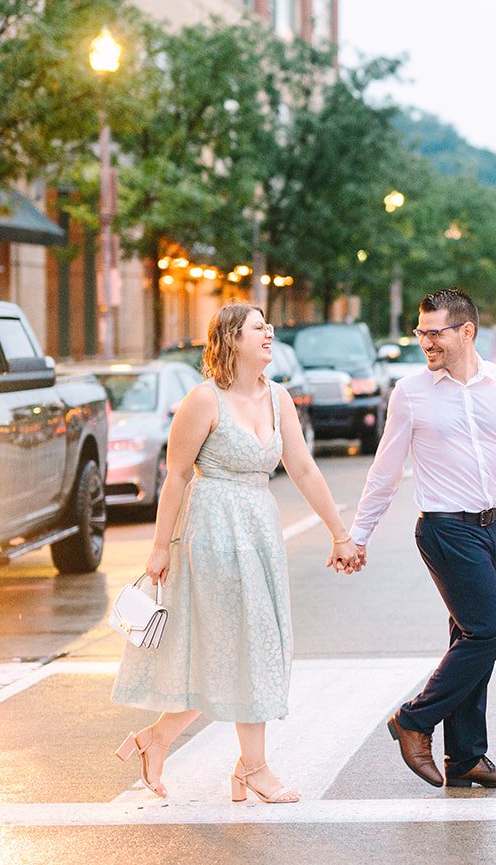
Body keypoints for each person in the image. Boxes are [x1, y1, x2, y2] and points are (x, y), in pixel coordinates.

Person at [110, 302, 360, 803]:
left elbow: (305, 470)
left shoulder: (279, 399)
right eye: (257, 327)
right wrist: (160, 549)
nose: (268, 332)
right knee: (234, 646)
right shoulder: (204, 400)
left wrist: (340, 533)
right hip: (210, 533)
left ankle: (160, 741)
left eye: (267, 324)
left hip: (259, 532)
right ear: (230, 340)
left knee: (253, 645)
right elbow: (176, 476)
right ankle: (253, 768)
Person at [351, 288, 496, 790]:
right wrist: (359, 533)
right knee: (491, 632)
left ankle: (464, 757)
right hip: (443, 529)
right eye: (420, 332)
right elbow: (386, 470)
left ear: (467, 331)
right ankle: (414, 720)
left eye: (434, 331)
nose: (425, 341)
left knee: (469, 638)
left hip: (490, 528)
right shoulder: (411, 392)